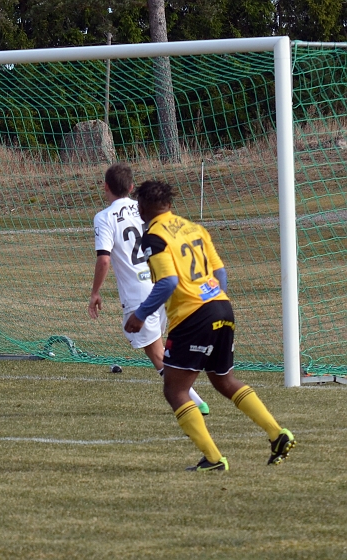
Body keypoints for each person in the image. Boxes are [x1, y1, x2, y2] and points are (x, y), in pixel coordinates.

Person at [124, 180, 295, 472]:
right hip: (221, 305)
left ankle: (214, 459)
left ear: (143, 207)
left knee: (175, 391)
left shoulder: (154, 236)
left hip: (193, 316)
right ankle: (278, 434)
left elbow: (168, 282)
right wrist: (214, 298)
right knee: (223, 380)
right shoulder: (194, 228)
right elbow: (220, 271)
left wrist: (140, 315)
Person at [88, 163, 209, 415]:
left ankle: (196, 402)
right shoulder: (145, 206)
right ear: (132, 187)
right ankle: (193, 393)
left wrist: (95, 292)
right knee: (165, 348)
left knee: (157, 356)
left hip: (139, 294)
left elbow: (104, 258)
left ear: (105, 187)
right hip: (164, 283)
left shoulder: (104, 217)